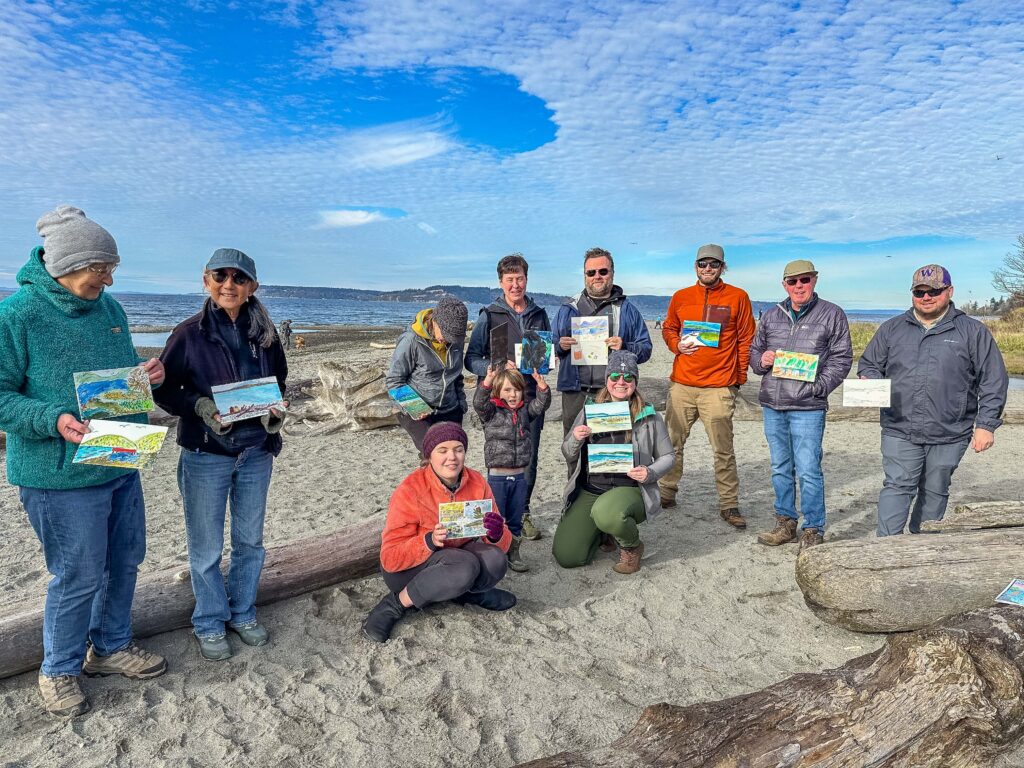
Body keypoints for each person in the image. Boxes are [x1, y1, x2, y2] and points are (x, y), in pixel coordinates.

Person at [0, 205, 167, 717]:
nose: (109, 278)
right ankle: (58, 670)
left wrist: (143, 374)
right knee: (76, 575)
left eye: (112, 268)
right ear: (67, 264)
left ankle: (111, 646)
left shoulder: (110, 308)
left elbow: (114, 376)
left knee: (125, 561)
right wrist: (51, 419)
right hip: (57, 476)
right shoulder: (17, 314)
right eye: (100, 268)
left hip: (119, 456)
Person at [156, 248, 288, 661]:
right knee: (206, 547)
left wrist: (274, 413)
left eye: (238, 278)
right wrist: (199, 406)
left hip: (256, 453)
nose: (229, 284)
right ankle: (210, 620)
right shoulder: (187, 334)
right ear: (206, 280)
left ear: (252, 287)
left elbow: (279, 381)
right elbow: (165, 391)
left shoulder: (265, 334)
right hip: (205, 453)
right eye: (220, 276)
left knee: (250, 542)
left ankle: (243, 612)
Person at [858, 264, 1008, 536]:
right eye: (919, 292)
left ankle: (922, 544)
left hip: (951, 430)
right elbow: (869, 364)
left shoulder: (973, 331)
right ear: (912, 294)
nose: (926, 297)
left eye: (934, 291)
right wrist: (869, 380)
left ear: (949, 291)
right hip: (899, 426)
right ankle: (885, 546)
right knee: (897, 486)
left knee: (935, 490)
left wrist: (986, 425)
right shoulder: (892, 328)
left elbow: (993, 379)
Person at [361, 422, 515, 643]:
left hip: (456, 560)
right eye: (442, 450)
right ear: (429, 456)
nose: (452, 457)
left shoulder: (477, 482)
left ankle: (467, 594)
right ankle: (394, 605)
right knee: (464, 565)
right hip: (408, 571)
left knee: (496, 559)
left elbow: (504, 542)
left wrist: (497, 534)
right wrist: (428, 541)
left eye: (458, 449)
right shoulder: (410, 489)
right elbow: (389, 558)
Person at [748, 260, 852, 550]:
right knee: (780, 467)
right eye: (792, 281)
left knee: (808, 469)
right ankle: (785, 523)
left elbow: (842, 359)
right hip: (773, 404)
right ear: (784, 285)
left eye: (804, 280)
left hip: (808, 408)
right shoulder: (772, 315)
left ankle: (813, 528)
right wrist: (761, 360)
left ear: (814, 280)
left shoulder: (832, 314)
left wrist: (818, 388)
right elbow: (754, 353)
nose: (798, 286)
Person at [658, 244, 756, 528]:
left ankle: (729, 504)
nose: (708, 268)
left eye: (714, 264)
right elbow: (669, 327)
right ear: (695, 267)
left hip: (719, 387)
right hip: (682, 385)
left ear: (722, 267)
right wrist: (675, 345)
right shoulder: (681, 296)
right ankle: (666, 493)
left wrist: (738, 380)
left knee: (723, 450)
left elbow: (746, 339)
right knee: (671, 444)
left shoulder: (738, 297)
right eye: (703, 264)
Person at [552, 351, 673, 574]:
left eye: (628, 377)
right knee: (568, 556)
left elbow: (668, 456)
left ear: (635, 382)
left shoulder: (650, 415)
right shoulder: (590, 410)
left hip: (630, 489)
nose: (621, 382)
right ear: (607, 379)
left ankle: (632, 547)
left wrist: (650, 472)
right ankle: (602, 532)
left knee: (607, 513)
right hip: (591, 489)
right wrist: (576, 438)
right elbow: (568, 453)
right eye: (615, 376)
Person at [465, 253, 551, 539]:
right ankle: (498, 514)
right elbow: (471, 359)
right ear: (501, 282)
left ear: (527, 279)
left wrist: (545, 361)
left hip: (530, 400)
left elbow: (545, 355)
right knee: (501, 457)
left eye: (520, 279)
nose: (516, 285)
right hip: (499, 403)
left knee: (530, 457)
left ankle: (523, 512)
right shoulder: (489, 315)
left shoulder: (539, 314)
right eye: (510, 279)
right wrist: (495, 367)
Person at [553, 247, 652, 442]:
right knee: (574, 447)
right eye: (591, 272)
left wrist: (625, 346)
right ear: (585, 276)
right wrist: (559, 346)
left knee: (608, 450)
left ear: (612, 273)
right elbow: (548, 347)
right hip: (575, 392)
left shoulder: (627, 310)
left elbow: (646, 349)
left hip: (612, 392)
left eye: (603, 271)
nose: (597, 276)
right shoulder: (568, 308)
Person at [473, 365, 552, 571]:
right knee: (496, 518)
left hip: (519, 477)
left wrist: (542, 387)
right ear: (498, 392)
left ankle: (513, 551)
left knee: (516, 518)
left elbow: (541, 405)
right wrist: (487, 381)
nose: (513, 394)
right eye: (507, 390)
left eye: (517, 390)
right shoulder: (491, 412)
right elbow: (478, 403)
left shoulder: (525, 411)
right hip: (497, 478)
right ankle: (495, 552)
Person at [386, 296, 468, 452]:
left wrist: (461, 404)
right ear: (435, 321)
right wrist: (416, 407)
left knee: (455, 453)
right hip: (416, 410)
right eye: (445, 334)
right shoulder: (410, 341)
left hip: (451, 407)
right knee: (433, 452)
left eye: (453, 337)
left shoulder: (455, 339)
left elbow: (457, 375)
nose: (447, 340)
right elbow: (394, 381)